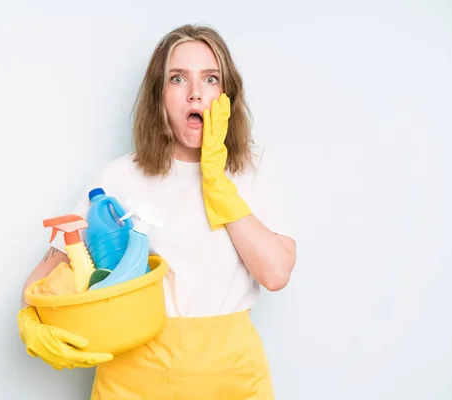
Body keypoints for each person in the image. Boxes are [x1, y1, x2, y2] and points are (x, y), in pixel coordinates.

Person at [18, 24, 297, 399]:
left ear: (226, 93)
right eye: (178, 79)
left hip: (233, 382)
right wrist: (31, 321)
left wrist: (218, 185)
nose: (195, 93)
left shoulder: (254, 170)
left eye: (210, 79)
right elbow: (43, 278)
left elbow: (276, 273)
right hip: (133, 382)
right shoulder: (117, 178)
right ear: (159, 95)